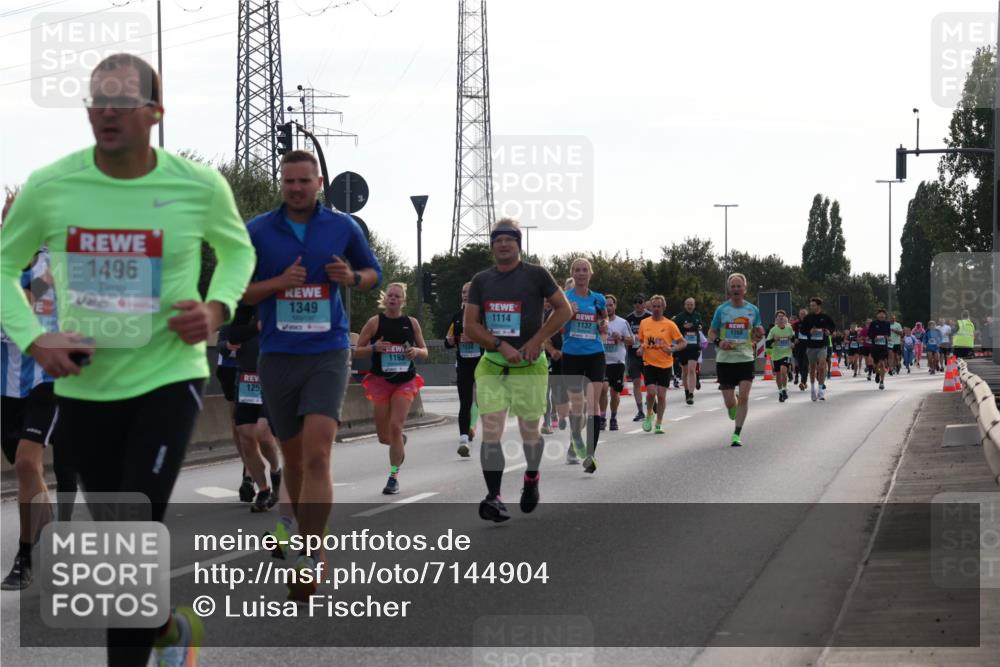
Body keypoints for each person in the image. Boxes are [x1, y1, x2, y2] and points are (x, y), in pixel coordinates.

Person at [0, 54, 256, 665]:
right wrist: (36, 339)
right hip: (85, 389)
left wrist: (217, 308)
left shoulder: (197, 185)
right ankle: (167, 626)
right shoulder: (51, 186)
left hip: (169, 379)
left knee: (128, 539)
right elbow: (6, 268)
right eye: (97, 101)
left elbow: (238, 251)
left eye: (122, 101)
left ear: (154, 113)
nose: (106, 112)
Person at [244, 148, 381, 598]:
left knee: (320, 455)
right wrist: (277, 285)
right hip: (278, 355)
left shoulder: (342, 227)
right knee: (297, 460)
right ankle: (302, 531)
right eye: (289, 182)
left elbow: (372, 273)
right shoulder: (258, 231)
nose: (297, 188)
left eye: (304, 181)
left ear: (318, 182)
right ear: (281, 183)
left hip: (327, 351)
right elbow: (239, 293)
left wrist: (351, 278)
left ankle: (309, 548)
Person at [463, 219, 571, 521]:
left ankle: (532, 478)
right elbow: (470, 326)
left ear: (518, 244)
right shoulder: (482, 280)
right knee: (492, 431)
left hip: (529, 366)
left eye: (509, 239)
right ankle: (494, 496)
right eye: (498, 239)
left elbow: (564, 309)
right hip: (493, 366)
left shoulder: (537, 274)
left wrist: (538, 340)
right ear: (492, 245)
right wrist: (500, 345)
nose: (503, 244)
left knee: (529, 433)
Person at [0, 244, 77, 591]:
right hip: (6, 385)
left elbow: (30, 299)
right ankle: (46, 524)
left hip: (47, 380)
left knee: (26, 465)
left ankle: (24, 558)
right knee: (28, 475)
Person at [355, 283, 428, 495]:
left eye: (398, 296)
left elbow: (425, 351)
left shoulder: (411, 323)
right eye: (390, 295)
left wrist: (416, 351)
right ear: (384, 299)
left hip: (405, 381)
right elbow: (357, 351)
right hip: (380, 382)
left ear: (403, 301)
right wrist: (373, 348)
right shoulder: (375, 322)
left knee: (396, 426)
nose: (393, 299)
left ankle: (393, 476)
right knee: (383, 436)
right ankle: (398, 442)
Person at [227, 303, 283, 512]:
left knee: (263, 433)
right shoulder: (244, 304)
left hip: (271, 377)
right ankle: (263, 489)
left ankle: (276, 472)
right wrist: (255, 328)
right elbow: (230, 335)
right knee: (246, 437)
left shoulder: (281, 303)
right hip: (245, 380)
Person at [559, 258, 608, 473]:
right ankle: (575, 439)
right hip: (571, 355)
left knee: (593, 404)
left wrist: (603, 324)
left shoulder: (598, 299)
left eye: (584, 270)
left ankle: (590, 455)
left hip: (595, 353)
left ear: (590, 273)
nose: (581, 273)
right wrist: (568, 313)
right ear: (573, 273)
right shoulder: (564, 298)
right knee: (578, 406)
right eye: (577, 270)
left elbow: (603, 323)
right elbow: (555, 326)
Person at [707, 273, 765, 447]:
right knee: (729, 402)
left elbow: (757, 330)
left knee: (745, 397)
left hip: (745, 357)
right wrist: (719, 342)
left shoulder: (753, 310)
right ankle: (733, 404)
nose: (736, 289)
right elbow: (711, 332)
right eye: (733, 286)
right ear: (729, 289)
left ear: (745, 289)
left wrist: (758, 334)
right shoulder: (722, 310)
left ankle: (736, 433)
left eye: (739, 286)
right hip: (725, 360)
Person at [638, 295, 686, 434]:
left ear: (664, 308)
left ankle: (659, 422)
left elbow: (683, 342)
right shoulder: (644, 323)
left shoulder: (670, 325)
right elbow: (642, 340)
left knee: (662, 395)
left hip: (665, 364)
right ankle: (649, 414)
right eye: (654, 306)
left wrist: (672, 349)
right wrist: (641, 348)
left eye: (659, 306)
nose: (656, 309)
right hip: (649, 362)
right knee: (651, 392)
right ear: (650, 307)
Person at [444, 281, 480, 456]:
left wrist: (476, 339)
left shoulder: (483, 316)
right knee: (465, 402)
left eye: (470, 292)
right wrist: (452, 341)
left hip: (482, 364)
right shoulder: (457, 316)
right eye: (463, 292)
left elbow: (493, 338)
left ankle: (475, 426)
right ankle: (464, 439)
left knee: (480, 400)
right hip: (464, 365)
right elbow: (447, 340)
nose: (466, 294)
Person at [599, 294, 633, 431]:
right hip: (602, 361)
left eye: (610, 305)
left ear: (615, 306)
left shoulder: (622, 322)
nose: (608, 307)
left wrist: (621, 337)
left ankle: (613, 417)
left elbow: (632, 341)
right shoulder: (599, 322)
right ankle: (602, 418)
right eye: (605, 305)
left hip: (618, 362)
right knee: (603, 388)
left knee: (615, 393)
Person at [798, 298, 836, 401]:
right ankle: (813, 390)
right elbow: (802, 330)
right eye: (811, 305)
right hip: (811, 347)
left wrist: (829, 331)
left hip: (822, 346)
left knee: (822, 366)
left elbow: (833, 327)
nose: (812, 307)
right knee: (813, 369)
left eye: (813, 305)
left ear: (819, 306)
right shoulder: (808, 318)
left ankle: (821, 390)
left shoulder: (826, 317)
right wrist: (809, 331)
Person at [624, 295, 651, 420]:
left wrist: (644, 346)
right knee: (635, 382)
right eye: (635, 302)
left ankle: (652, 405)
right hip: (633, 354)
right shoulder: (629, 319)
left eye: (640, 302)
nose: (637, 304)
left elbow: (653, 335)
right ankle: (640, 411)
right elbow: (625, 336)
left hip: (648, 354)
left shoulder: (649, 317)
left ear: (644, 304)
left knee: (650, 383)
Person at [673, 297, 703, 405]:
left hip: (694, 347)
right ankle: (686, 391)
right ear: (684, 305)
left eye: (692, 304)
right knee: (685, 371)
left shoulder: (697, 315)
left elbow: (699, 326)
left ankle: (691, 394)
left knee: (691, 369)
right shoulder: (679, 317)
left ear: (694, 305)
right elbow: (674, 330)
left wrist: (695, 326)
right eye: (688, 304)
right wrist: (683, 327)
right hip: (683, 347)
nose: (690, 306)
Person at [765, 309, 795, 402]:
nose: (781, 319)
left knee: (783, 371)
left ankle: (785, 389)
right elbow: (767, 343)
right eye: (779, 317)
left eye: (782, 317)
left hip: (786, 353)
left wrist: (793, 343)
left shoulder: (789, 328)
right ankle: (780, 391)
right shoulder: (773, 330)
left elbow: (794, 339)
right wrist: (774, 339)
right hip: (776, 354)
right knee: (778, 375)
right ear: (776, 320)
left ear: (785, 318)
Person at [868, 309, 892, 389]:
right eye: (880, 314)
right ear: (877, 315)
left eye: (883, 314)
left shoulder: (887, 324)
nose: (881, 315)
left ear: (885, 316)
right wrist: (874, 337)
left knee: (882, 364)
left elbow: (888, 334)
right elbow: (869, 334)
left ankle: (882, 382)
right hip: (875, 347)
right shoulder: (873, 323)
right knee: (875, 365)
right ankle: (877, 373)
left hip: (883, 347)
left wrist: (887, 338)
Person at [790, 307, 809, 390]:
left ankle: (803, 382)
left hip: (808, 346)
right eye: (801, 314)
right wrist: (794, 340)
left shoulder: (811, 323)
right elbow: (791, 334)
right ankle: (804, 381)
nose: (802, 316)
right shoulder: (795, 324)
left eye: (804, 314)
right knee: (800, 364)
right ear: (799, 315)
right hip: (798, 346)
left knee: (805, 364)